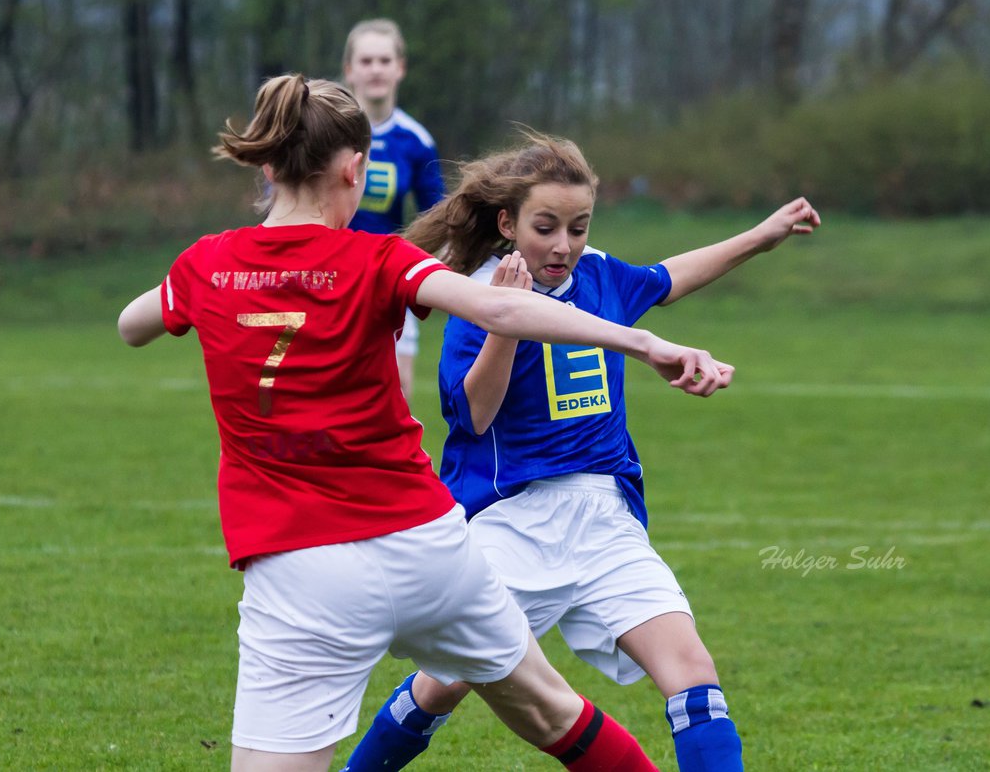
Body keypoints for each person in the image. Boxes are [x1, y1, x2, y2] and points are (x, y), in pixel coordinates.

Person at [116, 76, 736, 772]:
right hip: (427, 549)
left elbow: (131, 325)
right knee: (553, 712)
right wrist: (646, 343)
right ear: (354, 169)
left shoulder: (204, 266)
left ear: (266, 167)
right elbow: (500, 310)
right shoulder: (379, 258)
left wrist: (185, 295)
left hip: (300, 565)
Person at [344, 131, 820, 772]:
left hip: (604, 519)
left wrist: (762, 236)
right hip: (509, 520)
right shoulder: (480, 296)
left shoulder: (598, 276)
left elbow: (670, 276)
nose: (563, 244)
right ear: (509, 222)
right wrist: (509, 317)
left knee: (691, 668)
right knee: (443, 683)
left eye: (578, 226)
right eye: (546, 226)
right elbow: (475, 415)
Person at [342, 18, 446, 402]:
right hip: (329, 275)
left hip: (387, 277)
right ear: (349, 69)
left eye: (384, 60)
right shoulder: (324, 132)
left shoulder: (416, 142)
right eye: (366, 61)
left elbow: (438, 217)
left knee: (395, 392)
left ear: (400, 68)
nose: (375, 69)